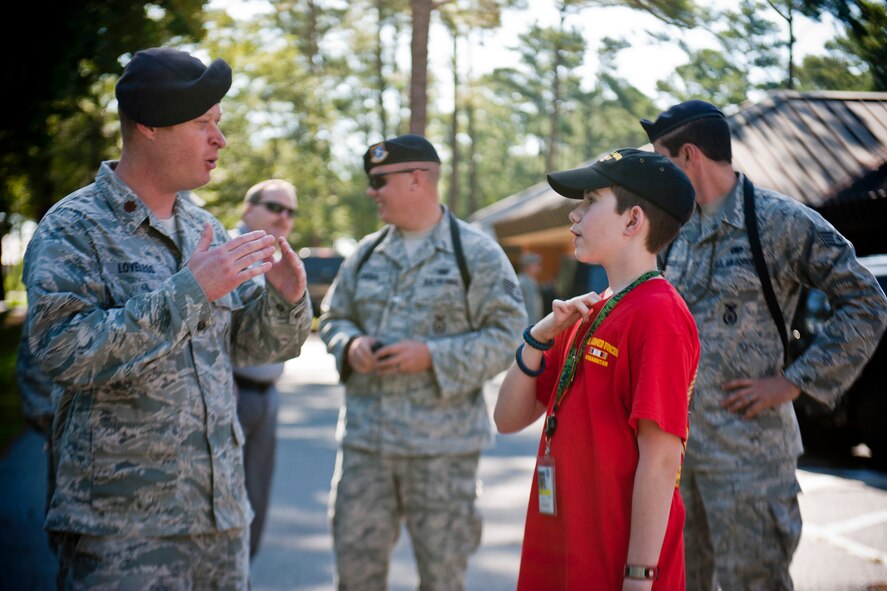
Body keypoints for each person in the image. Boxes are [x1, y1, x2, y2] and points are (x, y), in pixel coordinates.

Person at [22, 47, 313, 589]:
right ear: (150, 124)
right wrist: (190, 291)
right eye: (204, 123)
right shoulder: (74, 227)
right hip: (121, 533)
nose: (220, 140)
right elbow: (63, 353)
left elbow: (248, 348)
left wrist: (286, 301)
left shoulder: (205, 229)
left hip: (220, 520)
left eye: (218, 123)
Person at [639, 100, 887, 590]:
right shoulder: (673, 231)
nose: (659, 175)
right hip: (677, 457)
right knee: (680, 582)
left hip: (750, 461)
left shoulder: (778, 221)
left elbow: (866, 302)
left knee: (755, 582)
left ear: (689, 155)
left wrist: (795, 382)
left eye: (663, 161)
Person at [319, 134, 526, 590]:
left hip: (442, 454)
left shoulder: (476, 253)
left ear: (417, 179)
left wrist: (433, 356)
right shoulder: (367, 253)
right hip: (366, 447)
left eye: (379, 181)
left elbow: (509, 335)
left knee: (442, 578)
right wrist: (350, 344)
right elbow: (333, 316)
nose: (371, 191)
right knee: (355, 576)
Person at [495, 148, 700, 590]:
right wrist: (539, 336)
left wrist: (639, 578)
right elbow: (508, 418)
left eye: (589, 201)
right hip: (563, 552)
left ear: (633, 221)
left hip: (614, 565)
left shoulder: (658, 314)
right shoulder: (586, 311)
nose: (574, 214)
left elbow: (661, 460)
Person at [230, 178, 299, 559]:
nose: (284, 217)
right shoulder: (227, 250)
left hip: (267, 394)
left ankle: (242, 576)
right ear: (248, 208)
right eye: (275, 207)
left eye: (290, 211)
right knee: (225, 504)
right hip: (231, 392)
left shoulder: (276, 258)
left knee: (256, 500)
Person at [517, 251, 544, 324]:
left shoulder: (531, 281)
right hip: (527, 323)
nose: (539, 268)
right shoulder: (523, 282)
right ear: (529, 266)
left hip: (533, 322)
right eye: (537, 264)